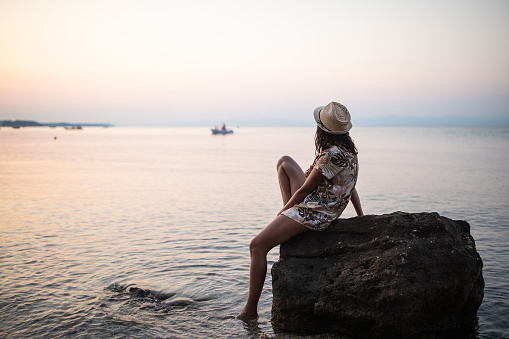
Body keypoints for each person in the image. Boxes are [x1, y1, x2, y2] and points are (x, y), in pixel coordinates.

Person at [236, 101, 364, 321]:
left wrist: (283, 212)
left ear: (321, 129)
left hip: (315, 212)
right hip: (323, 205)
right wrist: (362, 217)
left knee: (257, 246)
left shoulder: (331, 155)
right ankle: (288, 217)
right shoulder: (348, 154)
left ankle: (250, 311)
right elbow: (351, 188)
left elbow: (304, 190)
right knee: (284, 161)